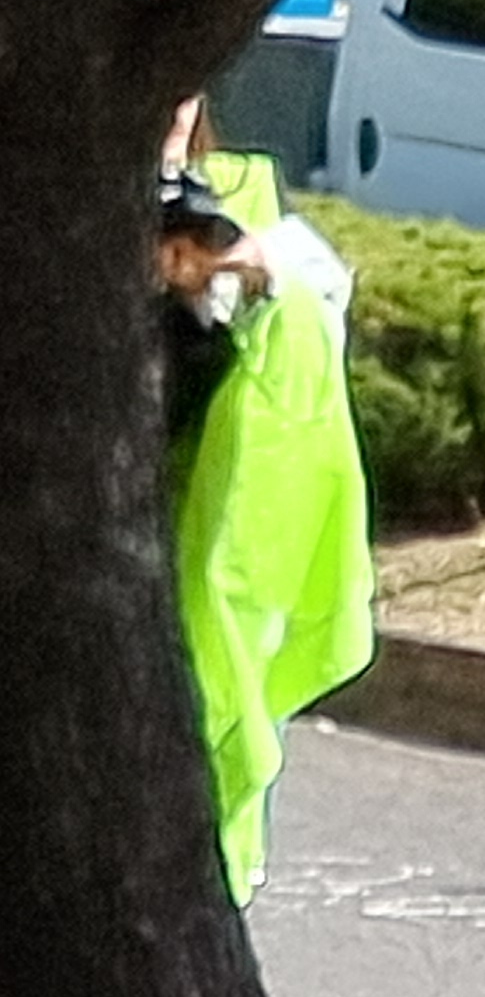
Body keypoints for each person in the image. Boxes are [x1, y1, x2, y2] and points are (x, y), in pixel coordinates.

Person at [157, 157, 373, 907]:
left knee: (220, 692)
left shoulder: (244, 203)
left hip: (219, 527)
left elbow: (316, 303)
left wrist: (256, 274)